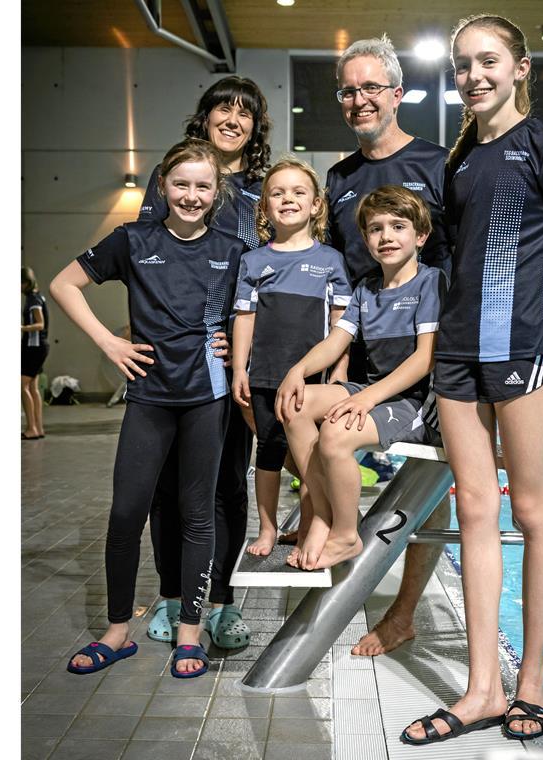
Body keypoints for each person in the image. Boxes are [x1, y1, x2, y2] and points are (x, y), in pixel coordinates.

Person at [399, 15, 543, 745]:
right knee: (475, 512)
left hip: (521, 355)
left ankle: (531, 681)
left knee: (532, 511)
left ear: (519, 69)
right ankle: (483, 687)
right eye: (462, 65)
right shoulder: (457, 164)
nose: (474, 75)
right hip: (456, 358)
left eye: (489, 61)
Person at [50, 138, 247, 678]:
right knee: (125, 513)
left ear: (217, 191)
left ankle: (190, 631)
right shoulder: (133, 240)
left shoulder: (233, 249)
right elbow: (63, 284)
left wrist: (235, 343)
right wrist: (108, 343)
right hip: (149, 397)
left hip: (205, 397)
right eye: (180, 184)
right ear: (162, 186)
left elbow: (252, 312)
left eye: (202, 186)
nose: (190, 195)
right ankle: (117, 632)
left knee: (197, 514)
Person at [325, 34, 453, 657]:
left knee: (432, 484)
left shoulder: (439, 163)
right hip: (369, 358)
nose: (360, 99)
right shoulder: (340, 177)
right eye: (349, 90)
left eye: (372, 87)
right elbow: (343, 282)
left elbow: (458, 263)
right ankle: (331, 523)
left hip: (435, 356)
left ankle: (404, 614)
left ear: (398, 93)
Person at [136, 76, 271, 649]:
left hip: (227, 358)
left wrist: (244, 344)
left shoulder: (263, 189)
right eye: (224, 107)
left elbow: (273, 271)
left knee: (225, 487)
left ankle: (218, 603)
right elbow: (144, 253)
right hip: (169, 358)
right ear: (206, 115)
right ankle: (171, 596)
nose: (233, 119)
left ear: (255, 126)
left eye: (245, 112)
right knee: (169, 487)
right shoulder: (170, 177)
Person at [276, 186, 445, 570]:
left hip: (412, 402)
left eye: (398, 226)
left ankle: (346, 535)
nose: (386, 236)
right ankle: (322, 514)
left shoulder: (431, 283)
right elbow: (337, 341)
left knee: (335, 435)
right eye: (375, 228)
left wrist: (367, 400)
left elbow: (424, 359)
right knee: (295, 404)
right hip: (371, 391)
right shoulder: (367, 288)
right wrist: (298, 371)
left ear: (420, 236)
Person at [230, 157, 351, 557]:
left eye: (299, 192)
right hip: (264, 373)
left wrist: (339, 372)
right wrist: (239, 370)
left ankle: (308, 526)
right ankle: (266, 528)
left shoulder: (331, 261)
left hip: (311, 380)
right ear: (264, 207)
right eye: (277, 193)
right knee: (267, 451)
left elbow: (341, 325)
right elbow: (244, 319)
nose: (288, 199)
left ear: (316, 204)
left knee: (308, 452)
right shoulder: (253, 261)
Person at [21, 266, 49, 440]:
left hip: (33, 347)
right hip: (39, 347)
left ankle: (31, 428)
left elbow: (40, 324)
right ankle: (38, 428)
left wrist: (21, 327)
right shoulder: (39, 296)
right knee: (33, 387)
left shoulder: (32, 300)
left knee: (21, 386)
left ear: (25, 283)